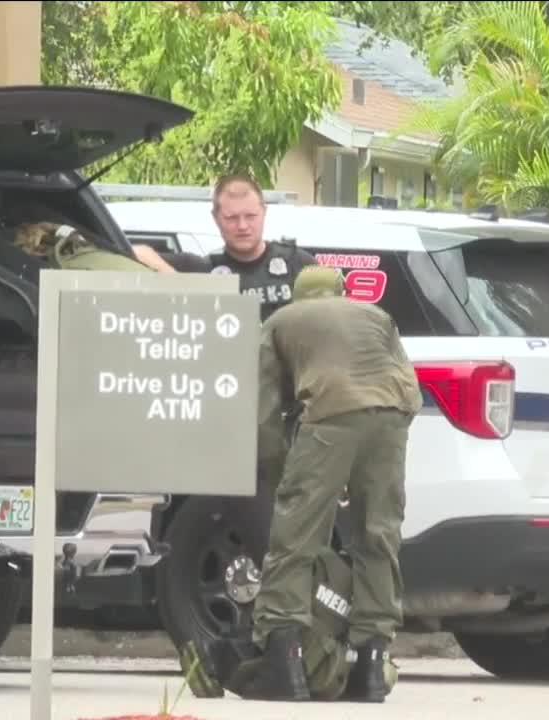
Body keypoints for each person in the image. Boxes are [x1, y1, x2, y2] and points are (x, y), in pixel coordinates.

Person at [249, 265, 423, 703]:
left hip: (330, 415)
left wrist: (279, 470)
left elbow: (263, 414)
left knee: (296, 538)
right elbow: (406, 380)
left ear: (297, 296)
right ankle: (369, 667)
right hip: (393, 416)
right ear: (341, 292)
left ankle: (284, 667)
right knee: (378, 535)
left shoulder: (280, 321)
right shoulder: (375, 315)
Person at [131, 175, 319, 321]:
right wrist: (174, 279)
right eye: (231, 218)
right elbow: (136, 253)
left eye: (251, 216)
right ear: (215, 218)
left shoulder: (299, 264)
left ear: (264, 212)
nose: (243, 226)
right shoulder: (203, 270)